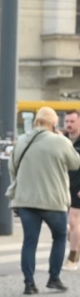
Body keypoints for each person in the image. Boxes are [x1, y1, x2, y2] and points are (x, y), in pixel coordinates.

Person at [9, 106, 80, 295]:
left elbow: (12, 167)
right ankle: (54, 278)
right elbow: (75, 162)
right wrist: (62, 140)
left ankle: (29, 283)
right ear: (54, 122)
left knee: (29, 241)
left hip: (26, 201)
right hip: (53, 201)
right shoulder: (60, 141)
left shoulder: (22, 140)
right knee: (59, 237)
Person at [63, 110, 80, 271]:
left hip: (77, 188)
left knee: (73, 222)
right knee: (66, 224)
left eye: (72, 121)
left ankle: (73, 257)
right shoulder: (62, 139)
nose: (69, 124)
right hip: (62, 187)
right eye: (67, 121)